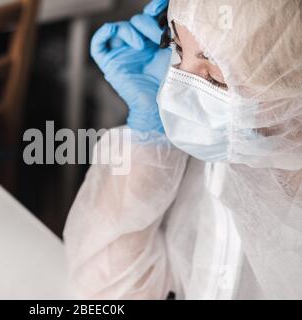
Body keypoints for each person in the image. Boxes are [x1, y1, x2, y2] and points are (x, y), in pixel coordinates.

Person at [63, 0, 302, 299]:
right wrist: (148, 136)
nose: (177, 93)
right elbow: (103, 292)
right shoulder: (221, 163)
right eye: (177, 50)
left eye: (214, 75)